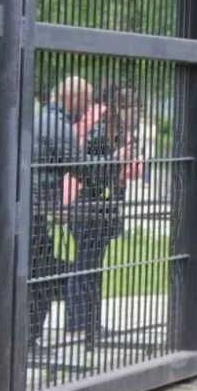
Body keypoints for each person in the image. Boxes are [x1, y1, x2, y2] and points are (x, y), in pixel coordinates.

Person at [65, 84, 141, 347]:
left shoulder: (121, 134)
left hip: (103, 208)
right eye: (131, 109)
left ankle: (88, 322)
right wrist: (114, 158)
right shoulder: (99, 134)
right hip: (88, 206)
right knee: (86, 265)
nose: (134, 115)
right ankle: (81, 323)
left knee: (91, 265)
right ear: (118, 109)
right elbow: (89, 170)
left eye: (137, 110)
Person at [28, 76, 94, 354]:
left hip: (33, 209)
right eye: (86, 102)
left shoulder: (43, 119)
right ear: (74, 98)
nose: (87, 109)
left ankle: (29, 337)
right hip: (34, 210)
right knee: (40, 274)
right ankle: (28, 339)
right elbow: (79, 165)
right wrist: (111, 164)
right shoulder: (56, 125)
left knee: (40, 271)